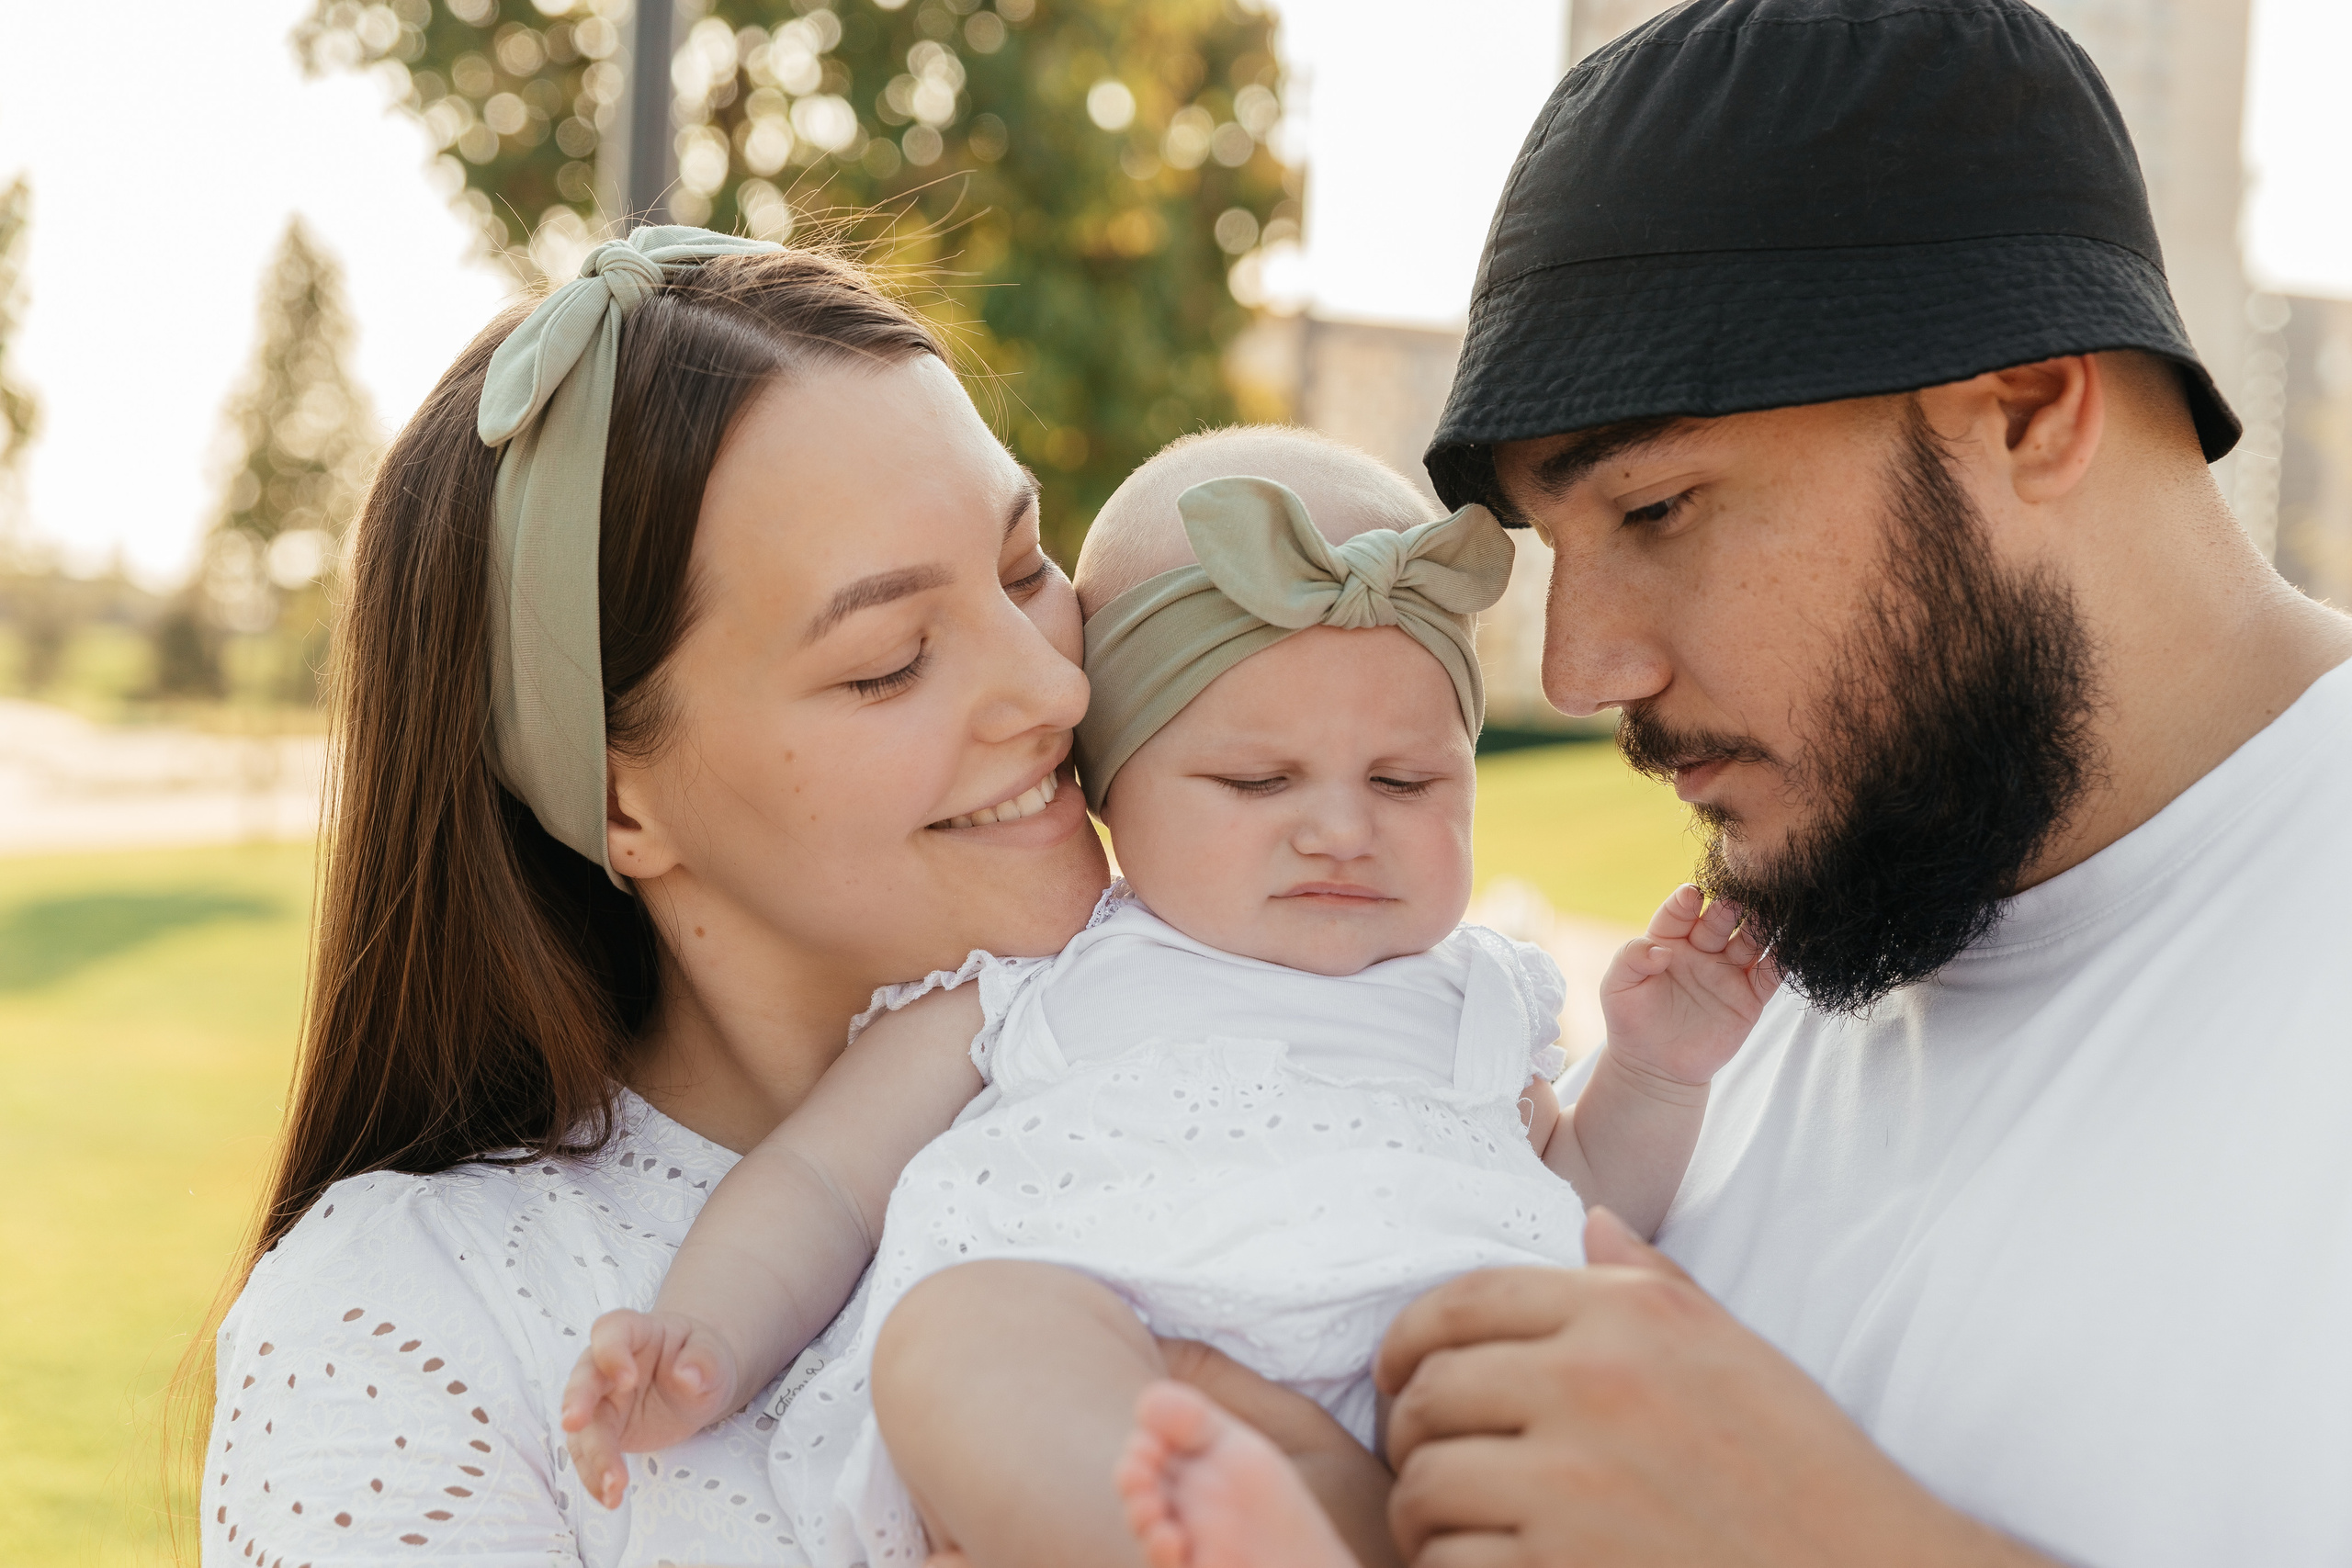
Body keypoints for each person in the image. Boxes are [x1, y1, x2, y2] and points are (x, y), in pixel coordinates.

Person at [1109, 2, 2352, 1566]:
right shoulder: (1811, 931)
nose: (1577, 671)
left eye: (1660, 506)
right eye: (1556, 547)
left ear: (2031, 405)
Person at [554, 428, 1779, 1567]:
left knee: (1573, 1357)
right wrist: (702, 1337)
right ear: (1109, 789)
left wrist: (1657, 1073)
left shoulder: (1477, 1000)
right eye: (1258, 781)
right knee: (960, 1333)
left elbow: (1572, 1208)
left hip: (1432, 1405)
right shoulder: (1039, 980)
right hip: (1124, 1381)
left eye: (1408, 782)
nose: (1343, 831)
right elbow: (820, 1183)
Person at [198, 230, 1170, 1565]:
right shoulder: (410, 1317)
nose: (1057, 688)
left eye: (1022, 568)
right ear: (616, 803)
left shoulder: (1237, 1054)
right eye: (889, 663)